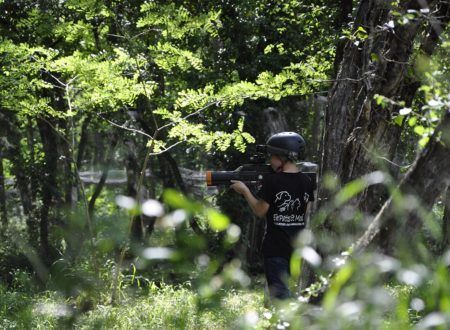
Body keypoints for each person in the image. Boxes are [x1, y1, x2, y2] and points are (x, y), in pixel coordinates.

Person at [230, 132, 315, 301]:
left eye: (272, 157)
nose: (270, 161)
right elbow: (306, 211)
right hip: (296, 248)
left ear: (283, 157)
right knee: (284, 292)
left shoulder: (273, 181)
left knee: (281, 297)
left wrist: (245, 190)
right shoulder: (307, 180)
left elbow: (260, 211)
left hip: (275, 249)